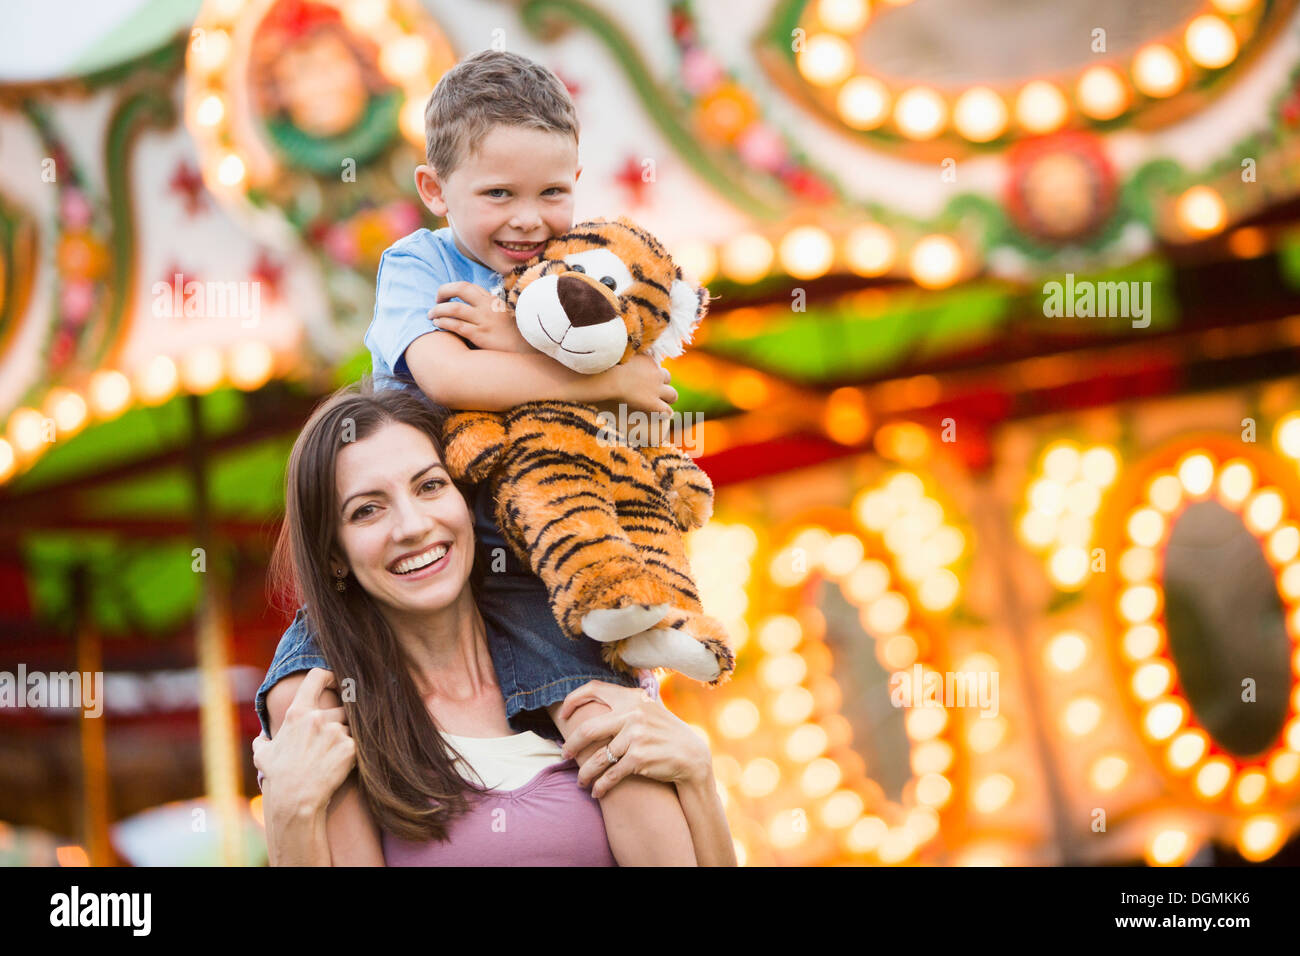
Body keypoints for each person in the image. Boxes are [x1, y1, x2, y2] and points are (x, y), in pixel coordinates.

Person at [253, 382, 734, 865]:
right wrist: (290, 816)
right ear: (334, 554)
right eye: (367, 510)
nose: (414, 526)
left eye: (430, 486)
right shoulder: (339, 718)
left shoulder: (578, 660)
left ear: (466, 500)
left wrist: (698, 775)